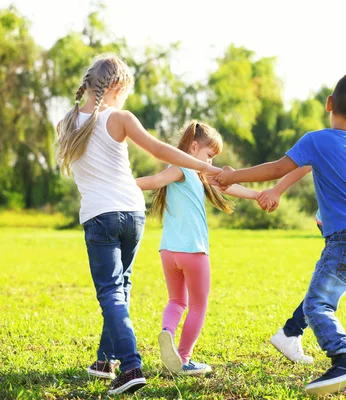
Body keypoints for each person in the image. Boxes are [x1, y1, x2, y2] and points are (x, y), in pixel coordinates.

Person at [213, 74, 346, 395]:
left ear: (329, 103)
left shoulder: (316, 140)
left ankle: (344, 359)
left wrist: (233, 175)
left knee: (317, 305)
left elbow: (275, 169)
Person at [55, 54, 221, 395]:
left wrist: (205, 169)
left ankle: (130, 366)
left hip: (100, 216)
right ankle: (106, 360)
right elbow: (162, 150)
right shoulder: (120, 118)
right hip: (132, 213)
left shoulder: (65, 124)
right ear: (117, 87)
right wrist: (206, 168)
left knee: (111, 291)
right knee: (121, 286)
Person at [136, 121, 260, 376]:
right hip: (193, 252)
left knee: (176, 301)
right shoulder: (185, 168)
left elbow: (229, 186)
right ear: (193, 147)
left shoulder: (189, 171)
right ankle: (183, 359)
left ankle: (167, 332)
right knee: (198, 306)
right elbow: (155, 180)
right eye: (209, 156)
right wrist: (123, 184)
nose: (211, 164)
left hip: (168, 252)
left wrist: (257, 194)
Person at [258, 165, 346, 365]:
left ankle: (291, 331)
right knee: (341, 282)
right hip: (339, 221)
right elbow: (304, 165)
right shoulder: (334, 138)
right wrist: (277, 190)